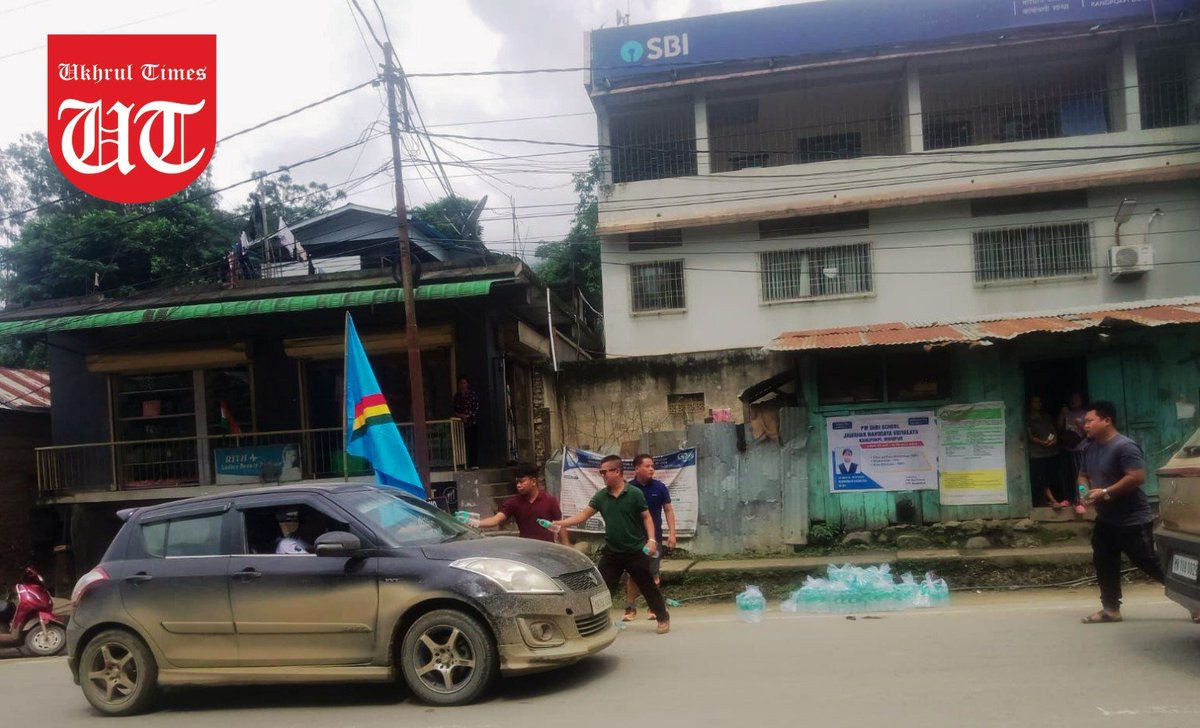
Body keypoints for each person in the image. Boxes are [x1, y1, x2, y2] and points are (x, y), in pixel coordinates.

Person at [1077, 401, 1194, 624]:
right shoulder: (1090, 448)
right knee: (1104, 560)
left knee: (1150, 562)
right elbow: (1082, 474)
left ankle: (1194, 602)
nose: (1086, 426)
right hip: (1106, 518)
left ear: (1107, 421)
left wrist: (1104, 491)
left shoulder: (1125, 446)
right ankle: (1110, 609)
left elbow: (1136, 477)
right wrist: (1084, 492)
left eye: (1090, 421)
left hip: (1132, 519)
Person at [555, 454, 671, 634]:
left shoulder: (634, 493)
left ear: (617, 472)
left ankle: (663, 618)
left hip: (635, 551)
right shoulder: (601, 496)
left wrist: (652, 539)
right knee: (601, 589)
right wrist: (560, 524)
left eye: (604, 472)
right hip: (612, 553)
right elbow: (583, 516)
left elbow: (647, 517)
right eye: (601, 472)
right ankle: (595, 624)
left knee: (648, 586)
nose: (602, 475)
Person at [623, 454, 677, 622]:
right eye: (647, 466)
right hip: (634, 540)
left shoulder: (660, 487)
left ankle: (653, 607)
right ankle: (631, 607)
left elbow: (668, 510)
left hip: (655, 538)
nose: (652, 469)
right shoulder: (628, 489)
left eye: (652, 466)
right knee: (633, 575)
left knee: (653, 574)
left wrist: (672, 534)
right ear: (637, 468)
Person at [472, 463, 570, 546]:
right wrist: (474, 522)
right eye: (517, 482)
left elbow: (561, 525)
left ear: (533, 481)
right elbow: (495, 520)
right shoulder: (513, 502)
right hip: (526, 550)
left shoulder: (549, 500)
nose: (518, 485)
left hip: (548, 548)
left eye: (522, 481)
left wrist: (567, 547)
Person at [1026, 396, 1064, 508]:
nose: (1038, 404)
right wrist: (1042, 442)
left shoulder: (1046, 416)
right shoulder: (1027, 418)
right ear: (1030, 404)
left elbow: (1053, 430)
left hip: (1052, 451)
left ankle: (1056, 499)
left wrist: (1055, 439)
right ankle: (1052, 501)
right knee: (1042, 478)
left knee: (1053, 476)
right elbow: (1030, 436)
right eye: (1035, 401)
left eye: (1039, 401)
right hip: (1037, 453)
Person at [1058, 392, 1089, 515]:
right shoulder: (1066, 412)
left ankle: (1080, 501)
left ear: (1081, 400)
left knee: (1079, 476)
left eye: (1076, 399)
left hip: (1080, 448)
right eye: (1072, 399)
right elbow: (1058, 428)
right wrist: (1062, 415)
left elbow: (1088, 432)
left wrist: (1079, 424)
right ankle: (1068, 499)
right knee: (1067, 475)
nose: (1073, 401)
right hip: (1067, 448)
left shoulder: (1085, 414)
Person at [453, 376, 481, 468]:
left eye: (464, 383)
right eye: (461, 383)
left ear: (467, 384)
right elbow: (454, 409)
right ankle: (462, 464)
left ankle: (474, 463)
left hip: (472, 423)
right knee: (461, 443)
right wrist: (460, 416)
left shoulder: (472, 395)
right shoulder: (457, 397)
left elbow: (476, 408)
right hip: (460, 424)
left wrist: (468, 416)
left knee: (473, 443)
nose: (462, 385)